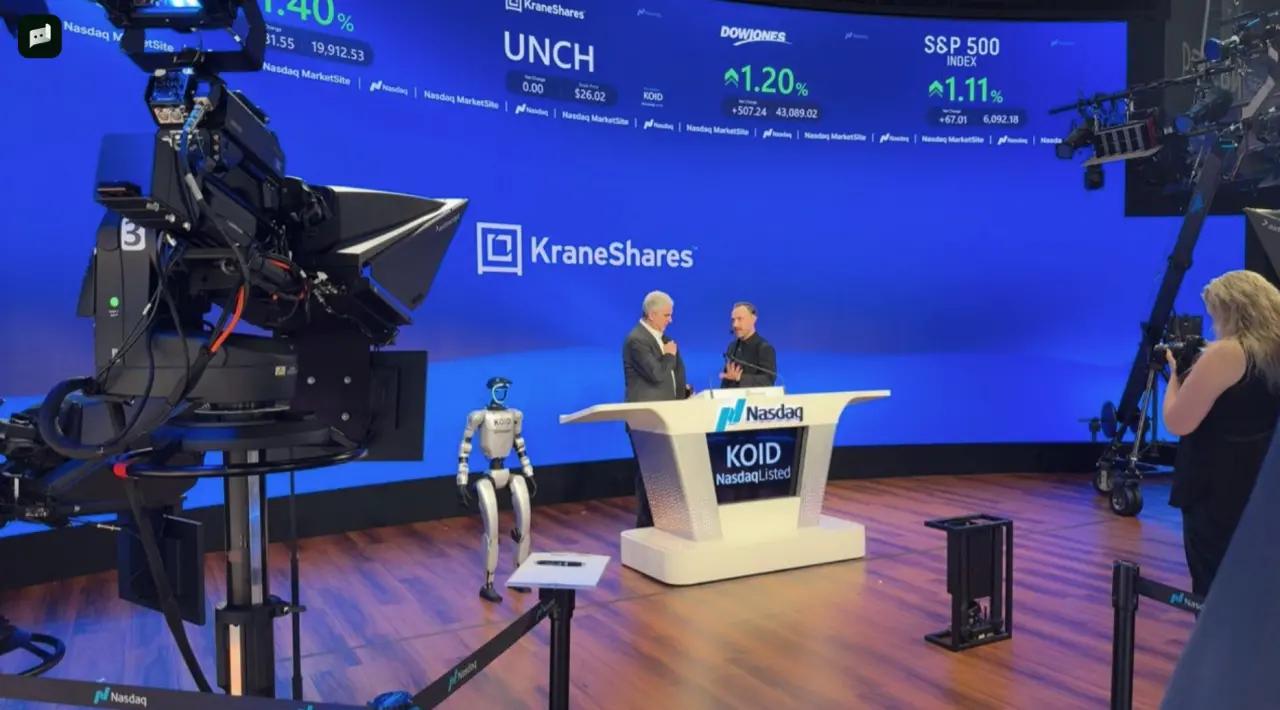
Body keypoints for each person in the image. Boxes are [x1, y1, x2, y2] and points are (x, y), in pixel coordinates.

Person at [1163, 270, 1280, 596]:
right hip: (1262, 483)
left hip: (1216, 488)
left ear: (1230, 310)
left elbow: (1178, 422)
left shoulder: (1227, 353)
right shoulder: (1272, 351)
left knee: (1213, 585)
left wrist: (1174, 377)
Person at [622, 290, 691, 527]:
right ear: (652, 315)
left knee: (664, 475)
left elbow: (674, 376)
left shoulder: (664, 340)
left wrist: (682, 396)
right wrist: (669, 355)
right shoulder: (636, 340)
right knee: (647, 475)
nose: (670, 320)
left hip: (667, 417)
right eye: (666, 315)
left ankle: (662, 524)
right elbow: (657, 374)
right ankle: (645, 527)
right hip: (646, 420)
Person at [720, 302, 777, 388]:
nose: (735, 325)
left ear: (753, 319)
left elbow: (768, 380)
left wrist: (740, 377)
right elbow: (727, 379)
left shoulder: (764, 348)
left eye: (740, 319)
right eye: (733, 320)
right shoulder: (732, 347)